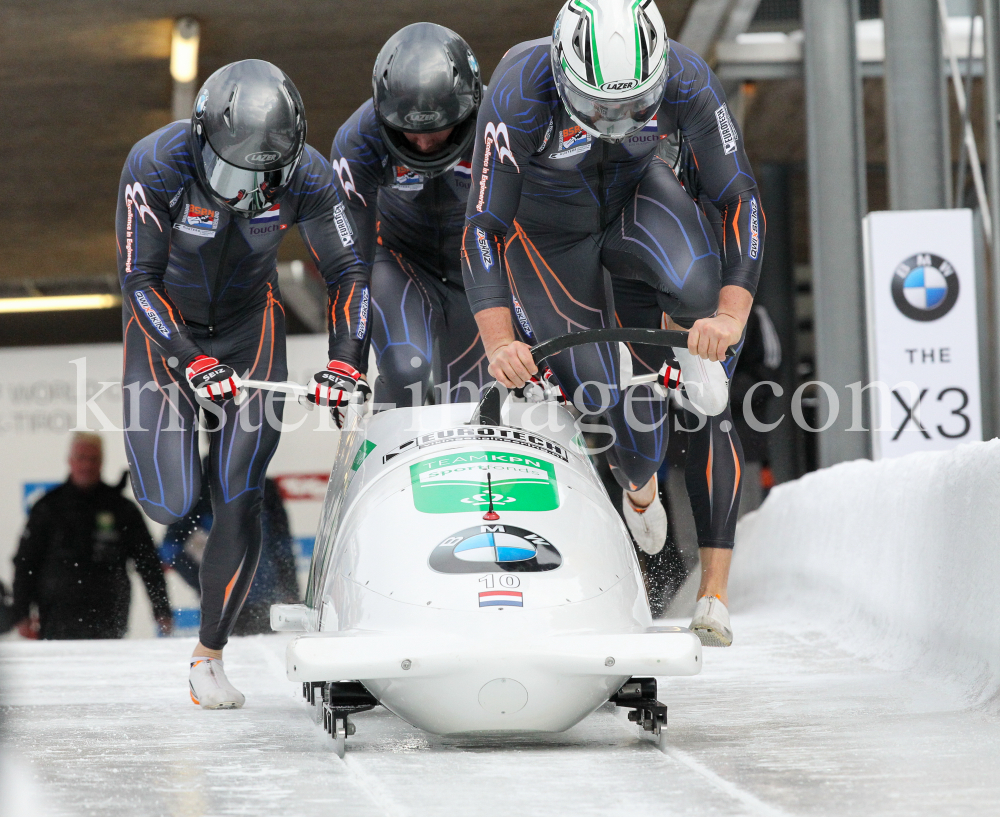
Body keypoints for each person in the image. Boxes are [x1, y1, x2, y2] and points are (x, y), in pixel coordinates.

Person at [462, 0, 765, 646]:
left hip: (635, 200)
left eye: (632, 107)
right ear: (564, 75)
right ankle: (638, 485)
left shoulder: (686, 76)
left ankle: (690, 360)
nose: (615, 122)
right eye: (600, 107)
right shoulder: (519, 90)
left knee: (693, 283)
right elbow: (482, 228)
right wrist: (499, 340)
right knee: (609, 408)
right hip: (548, 243)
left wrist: (730, 314)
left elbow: (738, 195)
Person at [117, 59, 370, 708]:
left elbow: (347, 270)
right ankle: (172, 464)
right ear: (202, 138)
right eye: (228, 174)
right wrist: (186, 358)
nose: (238, 192)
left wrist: (346, 359)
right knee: (171, 502)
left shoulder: (308, 173)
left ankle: (209, 656)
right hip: (165, 331)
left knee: (241, 489)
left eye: (257, 181)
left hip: (246, 326)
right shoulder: (157, 164)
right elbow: (138, 282)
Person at [331, 23, 487, 407]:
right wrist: (347, 362)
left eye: (438, 130)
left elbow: (526, 228)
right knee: (408, 369)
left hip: (477, 259)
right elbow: (351, 260)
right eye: (409, 132)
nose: (423, 143)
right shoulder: (358, 141)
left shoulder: (499, 120)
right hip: (399, 258)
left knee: (468, 402)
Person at [10, 433, 172, 640]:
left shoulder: (122, 509)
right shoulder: (48, 507)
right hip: (57, 615)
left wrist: (162, 610)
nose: (86, 465)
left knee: (107, 670)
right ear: (70, 461)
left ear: (102, 461)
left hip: (110, 613)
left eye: (93, 459)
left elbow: (148, 562)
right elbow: (26, 562)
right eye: (81, 458)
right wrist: (21, 613)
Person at [161, 467, 300, 636]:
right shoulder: (197, 491)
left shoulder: (264, 485)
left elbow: (282, 542)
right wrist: (204, 584)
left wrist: (291, 589)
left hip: (261, 599)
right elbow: (170, 549)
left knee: (260, 656)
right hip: (221, 603)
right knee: (224, 657)